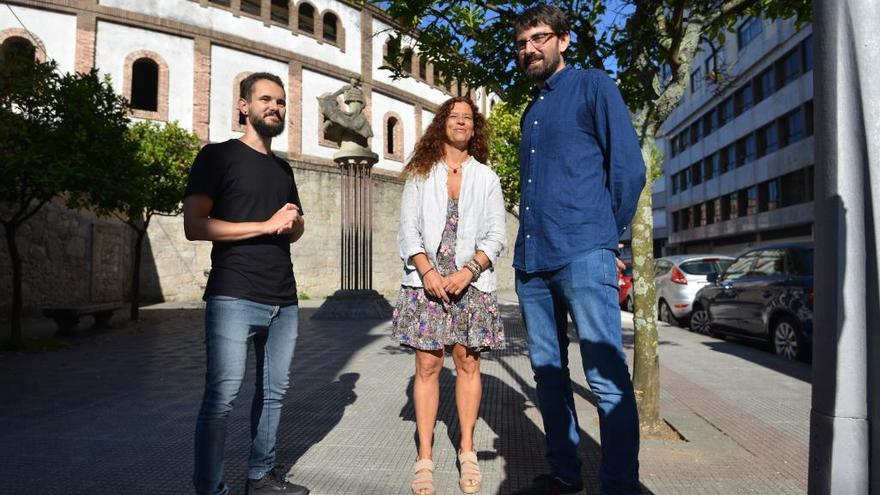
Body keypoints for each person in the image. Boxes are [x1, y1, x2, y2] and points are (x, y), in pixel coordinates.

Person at [510, 5, 646, 495]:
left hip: (584, 253)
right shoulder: (531, 111)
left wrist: (603, 236)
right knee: (548, 374)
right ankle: (565, 472)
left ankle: (619, 484)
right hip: (531, 263)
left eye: (539, 38)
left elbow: (629, 170)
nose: (530, 49)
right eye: (522, 43)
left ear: (563, 41)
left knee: (606, 376)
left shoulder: (593, 85)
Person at [184, 72, 309, 495]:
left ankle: (261, 477)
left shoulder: (282, 168)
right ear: (244, 106)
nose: (275, 107)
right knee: (221, 398)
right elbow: (195, 225)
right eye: (265, 99)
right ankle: (210, 489)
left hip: (284, 298)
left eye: (281, 102)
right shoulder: (217, 156)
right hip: (233, 294)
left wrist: (293, 225)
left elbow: (293, 225)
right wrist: (266, 224)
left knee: (274, 395)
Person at [393, 96, 507, 495]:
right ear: (442, 124)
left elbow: (497, 236)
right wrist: (427, 271)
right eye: (453, 116)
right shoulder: (421, 173)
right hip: (426, 282)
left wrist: (468, 271)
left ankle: (467, 449)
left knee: (468, 364)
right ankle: (425, 456)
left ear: (474, 129)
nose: (460, 122)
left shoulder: (487, 178)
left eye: (468, 118)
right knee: (428, 365)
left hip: (470, 283)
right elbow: (407, 230)